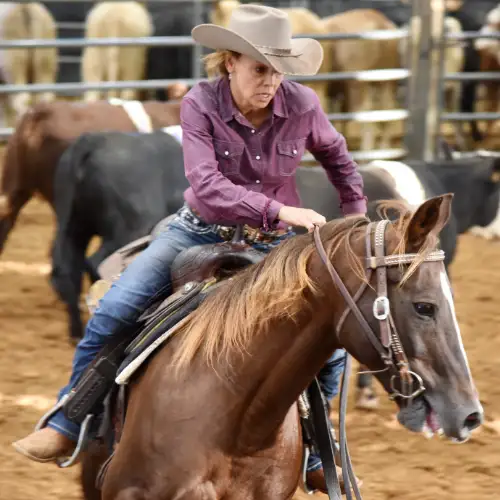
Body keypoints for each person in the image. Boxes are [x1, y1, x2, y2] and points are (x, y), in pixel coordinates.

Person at [13, 4, 367, 493]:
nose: (270, 82)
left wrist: (353, 220)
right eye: (260, 69)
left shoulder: (302, 103)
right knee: (115, 308)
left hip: (276, 244)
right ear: (230, 62)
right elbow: (207, 184)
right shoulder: (200, 102)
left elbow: (340, 161)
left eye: (278, 71)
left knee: (330, 336)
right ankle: (69, 419)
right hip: (199, 231)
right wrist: (281, 211)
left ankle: (318, 448)